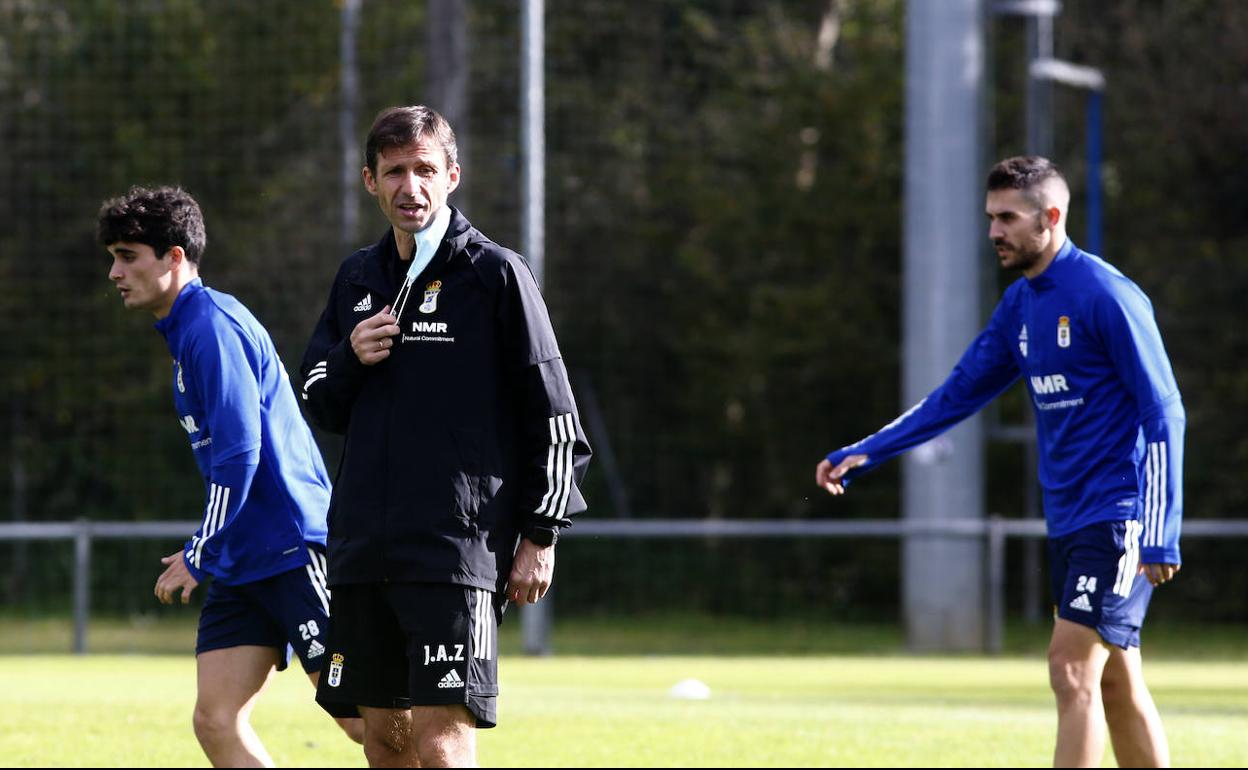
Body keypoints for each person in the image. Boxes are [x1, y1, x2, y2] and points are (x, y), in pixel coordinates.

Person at [817, 156, 1184, 768]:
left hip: (1118, 514)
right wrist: (868, 450)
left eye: (1008, 218)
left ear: (1051, 217)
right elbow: (956, 394)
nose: (994, 232)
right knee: (1114, 682)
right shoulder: (1020, 306)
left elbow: (1163, 410)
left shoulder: (1106, 295)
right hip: (1069, 518)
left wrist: (1160, 529)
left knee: (1070, 671)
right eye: (990, 218)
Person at [300, 105, 592, 768]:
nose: (411, 186)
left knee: (441, 744)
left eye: (425, 169)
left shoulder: (496, 275)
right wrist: (350, 356)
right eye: (394, 171)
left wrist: (540, 537)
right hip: (363, 552)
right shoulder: (356, 278)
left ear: (452, 176)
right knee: (385, 743)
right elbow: (318, 399)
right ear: (370, 181)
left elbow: (557, 421)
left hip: (455, 552)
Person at [99, 186, 364, 766]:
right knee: (216, 719)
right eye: (114, 258)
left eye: (127, 256)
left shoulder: (210, 327)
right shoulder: (185, 329)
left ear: (174, 257)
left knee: (362, 720)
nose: (115, 272)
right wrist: (215, 546)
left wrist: (201, 550)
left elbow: (240, 453)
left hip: (291, 548)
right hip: (244, 556)